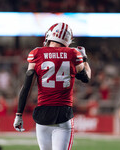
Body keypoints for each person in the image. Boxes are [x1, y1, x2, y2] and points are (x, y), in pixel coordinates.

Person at [13, 22, 91, 150]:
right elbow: (86, 78)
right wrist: (84, 59)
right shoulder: (73, 54)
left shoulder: (36, 53)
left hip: (43, 116)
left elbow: (26, 87)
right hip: (63, 116)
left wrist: (19, 114)